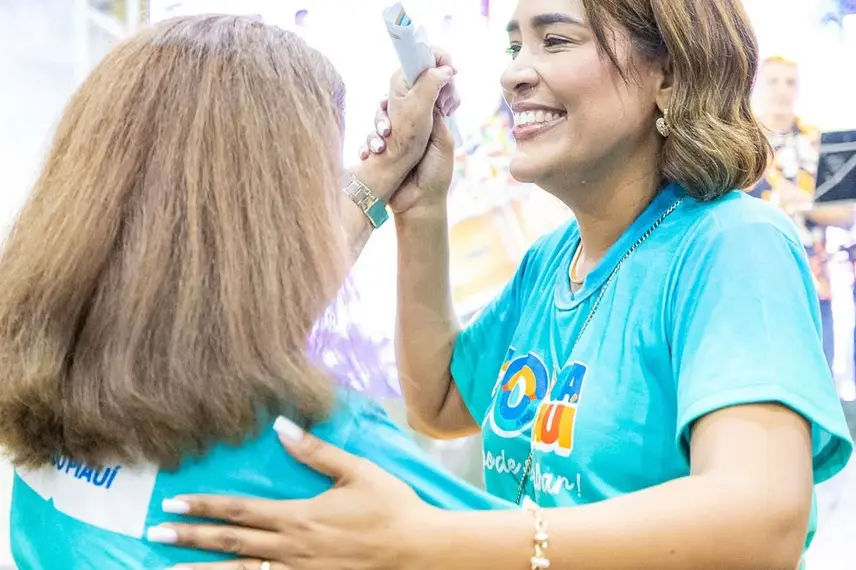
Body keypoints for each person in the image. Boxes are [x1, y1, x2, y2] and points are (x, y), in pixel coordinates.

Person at [156, 1, 853, 569]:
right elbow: (442, 400)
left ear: (668, 75)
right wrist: (420, 208)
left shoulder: (733, 244)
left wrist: (432, 540)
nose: (516, 74)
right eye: (514, 45)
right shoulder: (552, 262)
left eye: (555, 39)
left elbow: (762, 520)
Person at [0, 14, 507, 570]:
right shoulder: (314, 449)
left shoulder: (56, 412)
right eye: (318, 184)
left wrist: (382, 174)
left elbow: (232, 290)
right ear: (275, 229)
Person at [749, 56, 838, 369]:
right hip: (750, 279)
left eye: (790, 82)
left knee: (817, 377)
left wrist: (797, 200)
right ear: (758, 85)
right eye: (773, 81)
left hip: (812, 280)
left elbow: (845, 210)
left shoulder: (818, 140)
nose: (782, 90)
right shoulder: (742, 139)